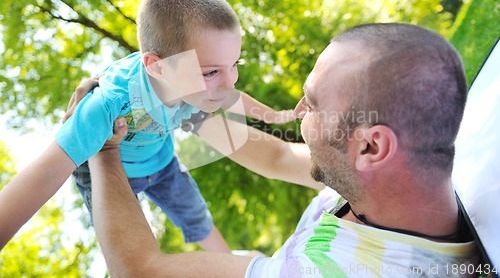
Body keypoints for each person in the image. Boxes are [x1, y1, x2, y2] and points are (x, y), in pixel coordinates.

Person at [86, 23, 478, 277]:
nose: (300, 111)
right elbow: (277, 157)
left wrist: (101, 148)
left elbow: (141, 268)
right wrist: (192, 109)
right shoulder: (404, 177)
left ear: (371, 145)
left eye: (313, 103)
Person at [0, 0, 295, 251]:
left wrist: (275, 116)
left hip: (161, 163)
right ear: (157, 66)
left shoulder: (194, 86)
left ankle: (229, 262)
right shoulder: (110, 101)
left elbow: (234, 97)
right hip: (114, 175)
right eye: (212, 71)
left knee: (195, 213)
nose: (230, 81)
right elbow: (47, 172)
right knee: (127, 244)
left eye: (234, 65)